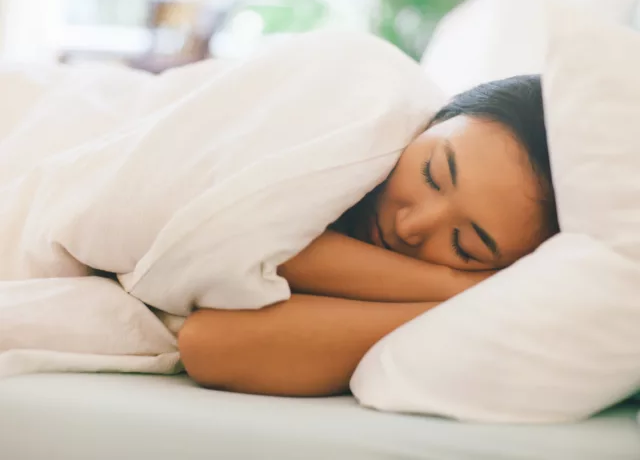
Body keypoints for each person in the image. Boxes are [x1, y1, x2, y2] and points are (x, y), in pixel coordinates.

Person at [178, 74, 559, 397]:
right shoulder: (367, 119)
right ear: (438, 119)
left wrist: (468, 303)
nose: (411, 227)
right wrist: (451, 284)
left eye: (465, 246)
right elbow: (239, 239)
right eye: (432, 175)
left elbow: (209, 344)